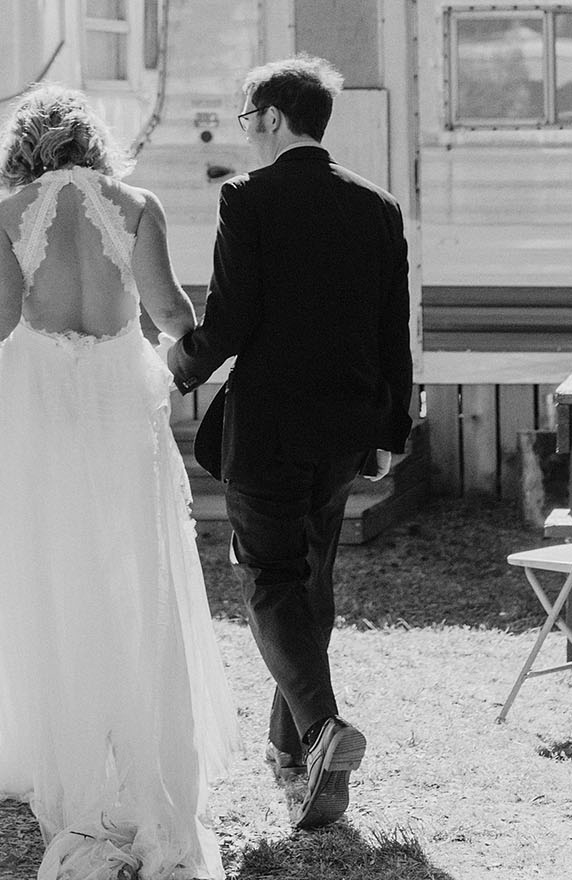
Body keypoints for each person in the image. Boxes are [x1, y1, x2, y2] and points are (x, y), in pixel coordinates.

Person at [0, 85, 237, 880]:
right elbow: (169, 313)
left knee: (47, 577)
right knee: (135, 577)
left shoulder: (6, 214)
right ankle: (147, 785)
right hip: (117, 409)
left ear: (21, 151)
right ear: (94, 144)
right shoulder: (138, 206)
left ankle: (73, 786)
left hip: (36, 412)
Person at [167, 54, 413, 832]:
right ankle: (289, 750)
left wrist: (181, 364)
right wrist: (391, 427)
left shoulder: (249, 198)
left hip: (270, 427)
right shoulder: (378, 205)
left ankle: (319, 730)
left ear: (272, 116)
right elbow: (390, 329)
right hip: (344, 430)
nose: (246, 135)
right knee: (311, 576)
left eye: (247, 118)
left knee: (268, 574)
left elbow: (231, 321)